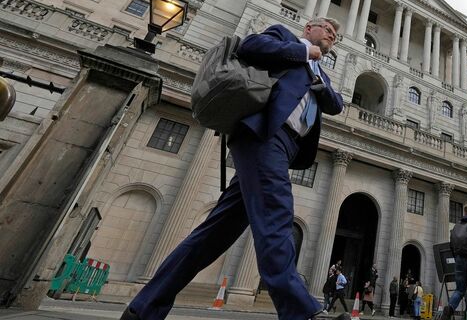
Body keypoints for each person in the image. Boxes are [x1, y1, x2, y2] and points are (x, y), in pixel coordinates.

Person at [119, 18, 345, 320]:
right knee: (277, 213)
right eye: (327, 28)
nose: (332, 33)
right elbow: (252, 46)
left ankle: (142, 310)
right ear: (308, 29)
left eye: (336, 34)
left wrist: (317, 79)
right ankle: (300, 312)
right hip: (264, 134)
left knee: (215, 234)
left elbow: (336, 104)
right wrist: (304, 54)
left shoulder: (321, 73)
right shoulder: (286, 40)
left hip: (289, 146)